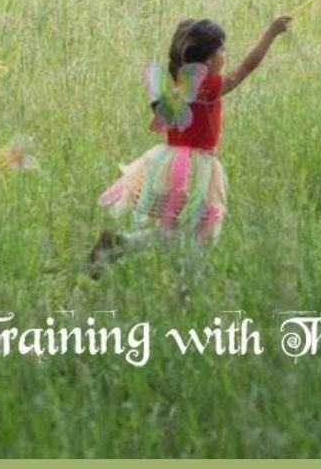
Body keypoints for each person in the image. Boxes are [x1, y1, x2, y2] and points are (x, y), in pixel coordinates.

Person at [91, 15, 290, 276]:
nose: (226, 54)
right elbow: (245, 69)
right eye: (222, 49)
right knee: (206, 230)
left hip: (170, 162)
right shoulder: (207, 86)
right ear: (208, 60)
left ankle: (121, 243)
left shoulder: (179, 85)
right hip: (197, 168)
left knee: (171, 231)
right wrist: (271, 34)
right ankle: (188, 286)